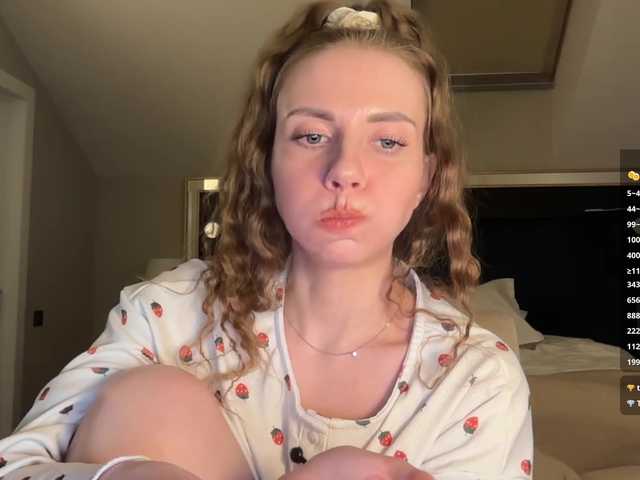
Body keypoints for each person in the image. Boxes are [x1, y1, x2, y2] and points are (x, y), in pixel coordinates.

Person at [0, 1, 533, 479]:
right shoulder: (170, 312)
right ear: (268, 161)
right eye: (311, 135)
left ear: (425, 176)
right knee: (148, 397)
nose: (345, 171)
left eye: (389, 141)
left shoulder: (476, 381)